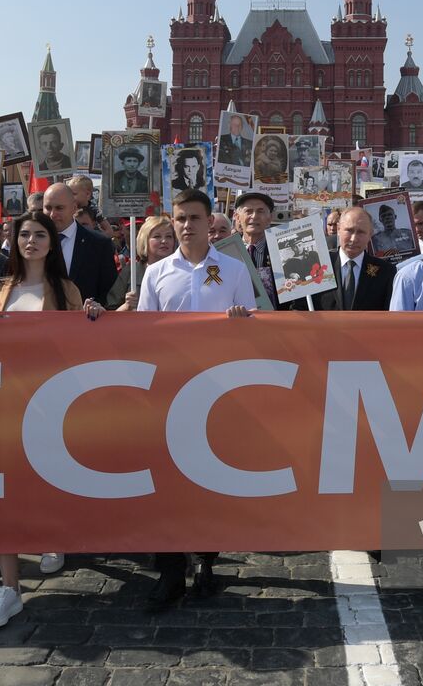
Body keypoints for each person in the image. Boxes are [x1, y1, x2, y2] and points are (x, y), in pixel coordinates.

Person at [0, 210, 101, 628]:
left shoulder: (66, 289)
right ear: (14, 241)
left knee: (46, 479)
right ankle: (9, 588)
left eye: (39, 234)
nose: (30, 241)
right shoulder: (0, 289)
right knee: (1, 493)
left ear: (51, 242)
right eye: (23, 234)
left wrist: (95, 314)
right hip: (5, 400)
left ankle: (50, 534)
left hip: (49, 403)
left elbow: (84, 345)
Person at [139, 188, 254, 611]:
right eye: (180, 218)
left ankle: (207, 560)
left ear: (211, 222)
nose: (187, 226)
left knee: (210, 481)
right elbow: (142, 336)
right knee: (166, 484)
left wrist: (243, 323)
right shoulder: (155, 274)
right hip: (167, 392)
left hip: (217, 391)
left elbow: (253, 329)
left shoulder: (233, 270)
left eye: (195, 218)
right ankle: (171, 572)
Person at [290, 207, 396, 311]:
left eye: (361, 232)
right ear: (339, 229)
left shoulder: (385, 272)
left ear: (370, 235)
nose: (354, 239)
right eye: (349, 230)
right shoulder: (317, 265)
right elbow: (299, 309)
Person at [42, 182, 119, 304]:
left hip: (85, 321)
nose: (52, 214)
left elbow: (109, 293)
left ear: (74, 208)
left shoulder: (99, 244)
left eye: (59, 208)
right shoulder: (33, 243)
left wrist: (96, 308)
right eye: (48, 208)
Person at [109, 214, 176, 309]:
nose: (164, 241)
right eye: (157, 236)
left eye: (169, 236)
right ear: (145, 240)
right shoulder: (131, 271)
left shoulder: (182, 269)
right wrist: (126, 306)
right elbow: (110, 313)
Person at [234, 191, 279, 302]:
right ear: (237, 217)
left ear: (270, 217)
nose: (254, 216)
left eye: (260, 211)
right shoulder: (226, 250)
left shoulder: (280, 250)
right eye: (248, 211)